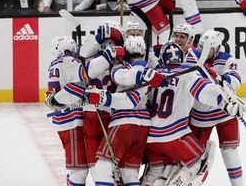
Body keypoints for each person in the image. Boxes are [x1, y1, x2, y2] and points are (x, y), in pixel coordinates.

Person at [142, 42, 246, 186]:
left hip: (149, 138)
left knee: (156, 171)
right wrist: (226, 104)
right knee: (202, 158)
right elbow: (204, 92)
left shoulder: (154, 75)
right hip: (174, 136)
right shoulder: (188, 74)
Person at [91, 35, 166, 186]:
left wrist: (102, 98)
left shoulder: (123, 68)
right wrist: (144, 75)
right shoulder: (151, 71)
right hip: (144, 125)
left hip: (124, 122)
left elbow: (126, 88)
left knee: (103, 166)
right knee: (129, 173)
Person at [187, 30, 246, 186]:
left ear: (217, 48)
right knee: (194, 156)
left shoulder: (227, 59)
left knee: (230, 152)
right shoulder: (192, 57)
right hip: (201, 115)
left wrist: (220, 78)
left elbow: (235, 80)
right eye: (201, 48)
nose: (203, 52)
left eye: (208, 49)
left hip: (225, 113)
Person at [45, 36, 89, 186]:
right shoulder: (69, 62)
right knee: (79, 170)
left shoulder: (54, 64)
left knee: (79, 167)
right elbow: (77, 89)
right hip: (72, 120)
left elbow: (53, 95)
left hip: (65, 119)